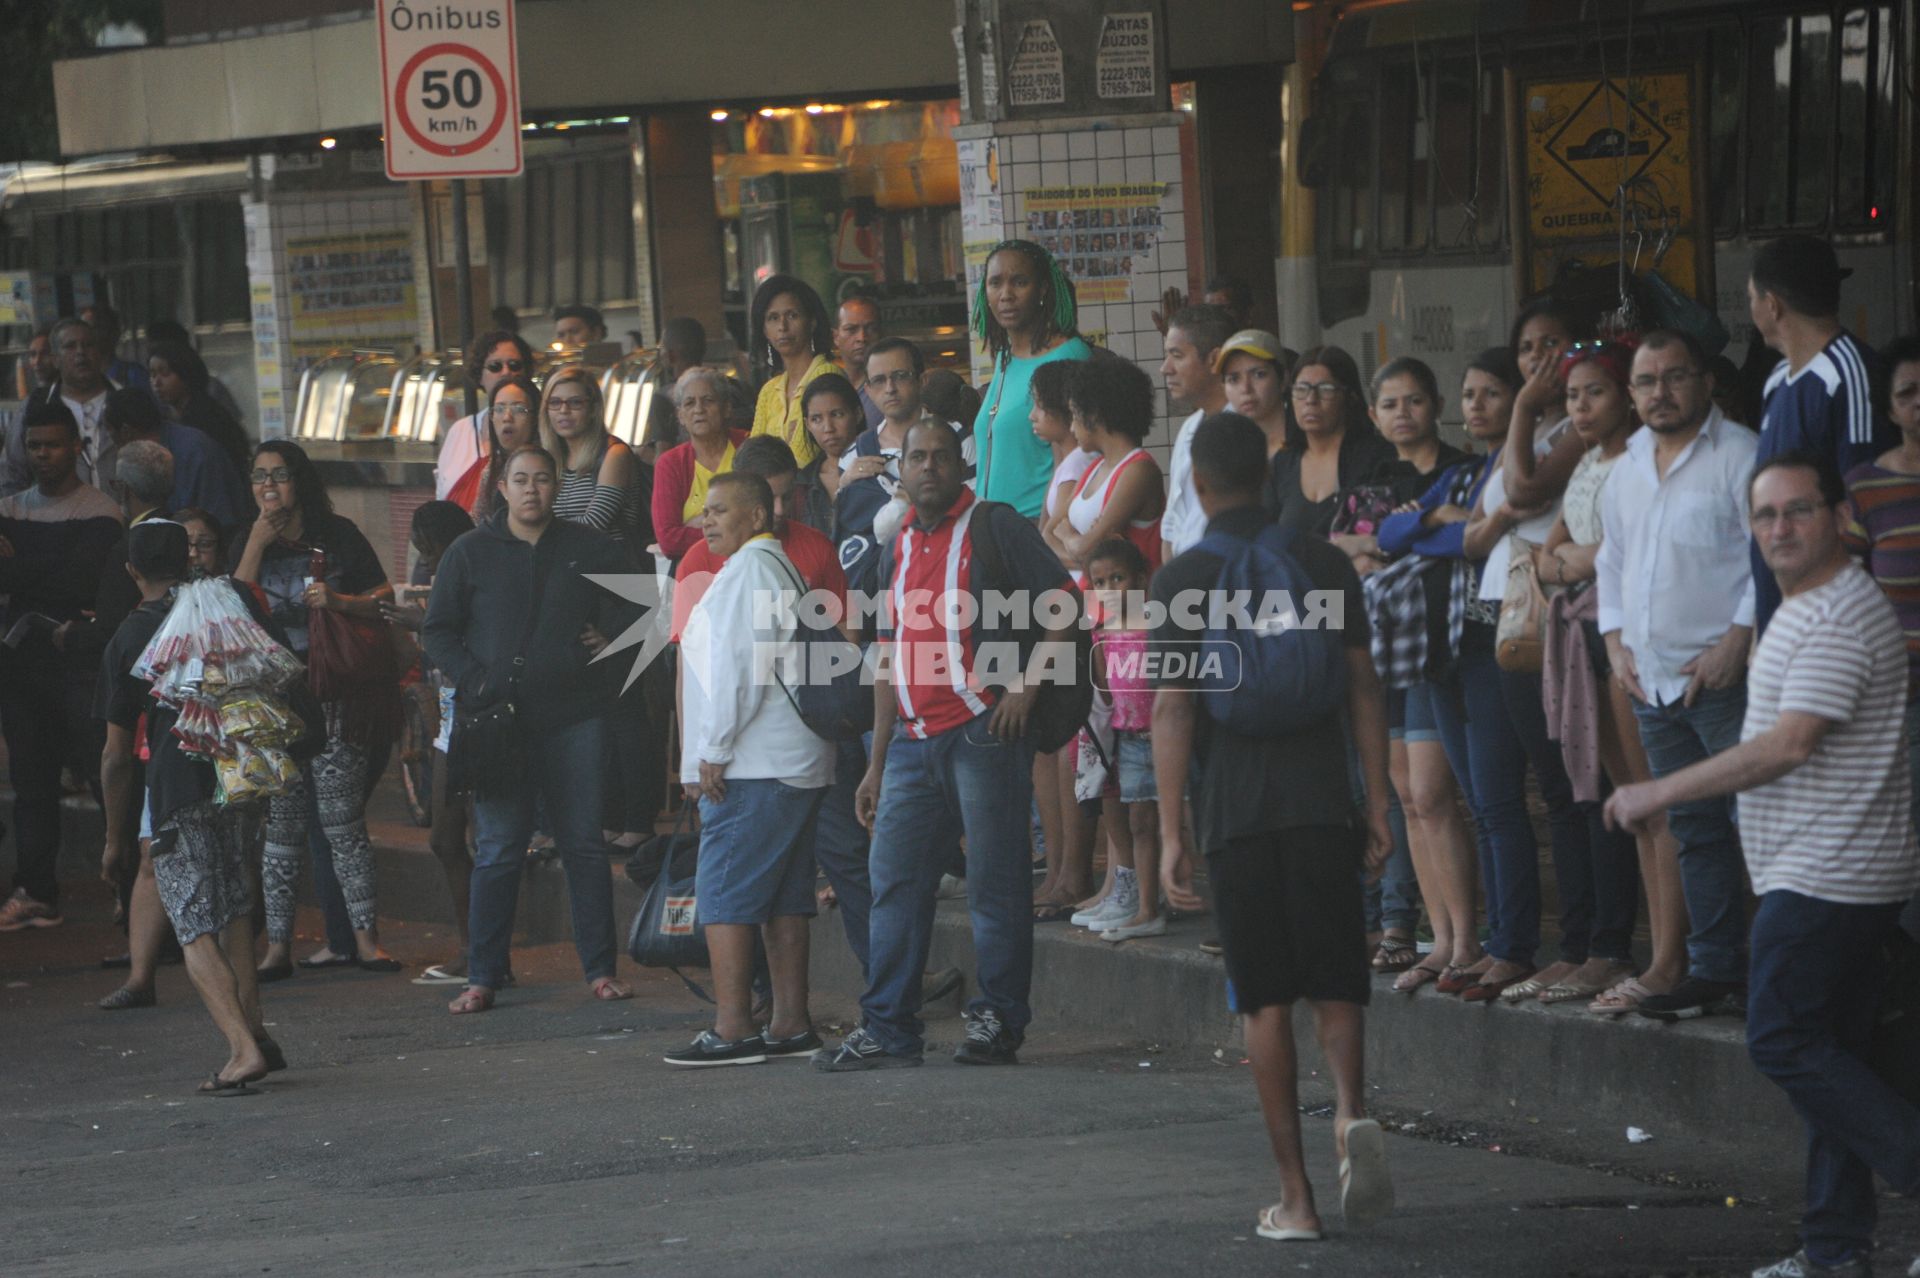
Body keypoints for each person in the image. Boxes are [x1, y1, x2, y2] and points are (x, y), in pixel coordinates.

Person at [1606, 453, 1920, 1278]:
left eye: (1798, 511)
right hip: (1830, 873)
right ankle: (1834, 1251)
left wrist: (1659, 790)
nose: (1780, 528)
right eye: (1766, 515)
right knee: (1834, 1060)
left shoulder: (1840, 616)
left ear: (1839, 515)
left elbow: (1788, 744)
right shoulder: (1808, 605)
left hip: (1830, 877)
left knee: (1781, 1039)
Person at [1151, 411, 1394, 1241]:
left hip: (1236, 812)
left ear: (1199, 485)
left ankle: (1296, 1199)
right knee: (1335, 979)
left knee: (1263, 1000)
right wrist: (1381, 802)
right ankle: (1351, 1112)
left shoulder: (1181, 579)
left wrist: (1174, 830)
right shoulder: (1321, 561)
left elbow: (1174, 710)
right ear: (1269, 473)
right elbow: (1364, 687)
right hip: (1323, 799)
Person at [814, 418, 1075, 1071]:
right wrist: (875, 762)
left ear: (961, 465)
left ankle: (996, 1022)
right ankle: (888, 1029)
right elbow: (886, 652)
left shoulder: (995, 526)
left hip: (983, 733)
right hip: (909, 741)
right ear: (899, 471)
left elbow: (1064, 604)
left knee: (996, 883)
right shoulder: (895, 542)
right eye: (917, 458)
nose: (928, 467)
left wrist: (1025, 688)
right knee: (894, 884)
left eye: (940, 457)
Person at [423, 446, 639, 1014]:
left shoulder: (588, 548)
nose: (532, 490)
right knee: (497, 849)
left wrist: (608, 635)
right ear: (503, 488)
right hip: (499, 724)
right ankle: (484, 976)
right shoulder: (469, 553)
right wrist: (478, 680)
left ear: (556, 487)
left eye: (543, 480)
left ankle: (600, 970)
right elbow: (438, 631)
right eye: (521, 480)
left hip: (575, 717)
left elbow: (647, 605)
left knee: (584, 847)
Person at [1596, 330, 1759, 1019]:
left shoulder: (1742, 456)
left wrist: (1738, 640)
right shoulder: (1627, 467)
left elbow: (1770, 555)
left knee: (1759, 824)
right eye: (1647, 381)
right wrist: (1615, 644)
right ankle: (1716, 970)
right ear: (1632, 395)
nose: (1660, 392)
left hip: (1726, 681)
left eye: (1675, 377)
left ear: (1705, 382)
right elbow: (1611, 561)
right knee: (1693, 829)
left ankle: (1779, 974)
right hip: (1653, 682)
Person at [1377, 349, 1544, 1001]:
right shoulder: (1464, 474)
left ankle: (1508, 944)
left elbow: (1468, 542)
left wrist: (1444, 527)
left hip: (1497, 639)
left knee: (1498, 801)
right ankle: (1468, 944)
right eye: (1470, 393)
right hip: (1441, 646)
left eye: (1491, 394)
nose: (1477, 405)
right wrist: (1435, 521)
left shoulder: (1496, 467)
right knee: (1474, 799)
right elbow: (1385, 535)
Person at [99, 522, 286, 1093]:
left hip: (180, 790)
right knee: (232, 909)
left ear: (133, 572)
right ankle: (257, 1030)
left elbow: (115, 756)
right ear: (188, 559)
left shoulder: (129, 638)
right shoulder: (223, 607)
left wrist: (115, 837)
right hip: (241, 779)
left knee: (190, 922)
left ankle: (240, 1048)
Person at [663, 471, 835, 1066]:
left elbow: (738, 668)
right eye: (704, 510)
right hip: (792, 760)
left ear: (758, 516)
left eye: (720, 511)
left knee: (726, 893)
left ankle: (732, 1028)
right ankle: (790, 1023)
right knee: (785, 898)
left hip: (757, 764)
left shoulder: (750, 572)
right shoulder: (776, 567)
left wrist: (710, 749)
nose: (706, 521)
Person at [230, 441, 398, 979]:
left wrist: (340, 602)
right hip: (273, 703)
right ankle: (276, 948)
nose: (269, 485)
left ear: (299, 480)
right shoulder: (247, 539)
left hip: (334, 695)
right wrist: (257, 539)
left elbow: (385, 596)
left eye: (279, 475)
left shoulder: (338, 534)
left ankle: (369, 942)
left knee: (342, 820)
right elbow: (232, 608)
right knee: (280, 828)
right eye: (259, 476)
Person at [1512, 341, 1645, 1005]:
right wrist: (1572, 562)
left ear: (1626, 396)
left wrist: (1571, 561)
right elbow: (1547, 554)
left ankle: (1615, 945)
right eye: (1572, 396)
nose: (1582, 407)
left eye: (1595, 392)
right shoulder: (1588, 462)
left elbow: (1614, 550)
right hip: (1573, 631)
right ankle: (1585, 944)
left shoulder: (1642, 462)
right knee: (1580, 787)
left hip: (1616, 633)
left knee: (1620, 789)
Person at [1338, 358, 1469, 980]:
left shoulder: (1462, 472)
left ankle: (1466, 938)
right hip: (1387, 653)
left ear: (1436, 403)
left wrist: (1391, 538)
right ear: (1373, 414)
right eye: (1390, 404)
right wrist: (1417, 528)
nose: (1403, 414)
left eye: (1414, 401)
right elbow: (1348, 547)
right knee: (1408, 799)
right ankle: (1436, 940)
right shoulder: (1371, 481)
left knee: (1438, 795)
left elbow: (1459, 537)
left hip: (1447, 645)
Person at [0, 402, 124, 933]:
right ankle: (35, 891)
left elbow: (78, 582)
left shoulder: (100, 510)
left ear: (77, 446)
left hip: (81, 666)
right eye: (34, 446)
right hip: (22, 667)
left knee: (106, 780)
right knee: (31, 783)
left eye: (53, 444)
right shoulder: (11, 508)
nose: (43, 455)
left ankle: (128, 886)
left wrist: (16, 565)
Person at [1749, 234, 1897, 635]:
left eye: (1752, 298)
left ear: (1772, 304)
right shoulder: (1777, 380)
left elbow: (1866, 504)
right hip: (1778, 621)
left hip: (1832, 626)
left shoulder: (1850, 372)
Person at [378, 501, 477, 985]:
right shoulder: (454, 572)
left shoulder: (474, 572)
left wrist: (423, 625)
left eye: (430, 550)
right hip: (452, 723)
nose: (428, 561)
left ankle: (478, 951)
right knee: (449, 837)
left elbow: (471, 641)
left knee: (462, 837)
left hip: (475, 723)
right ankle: (475, 947)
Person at [1844, 336, 1920, 878]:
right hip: (1905, 700)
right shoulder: (1867, 489)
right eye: (1908, 393)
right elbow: (1845, 599)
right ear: (1890, 409)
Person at [1027, 359, 1099, 923]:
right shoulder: (1062, 461)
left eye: (1039, 407)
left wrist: (1047, 541)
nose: (1033, 417)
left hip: (1076, 604)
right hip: (1061, 601)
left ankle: (1071, 871)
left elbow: (1058, 538)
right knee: (1050, 748)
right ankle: (1058, 869)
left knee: (1071, 747)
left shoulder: (1080, 460)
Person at [971, 240, 1094, 519]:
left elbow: (1081, 455)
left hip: (1038, 530)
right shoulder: (1004, 357)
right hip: (995, 530)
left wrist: (1049, 531)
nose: (1006, 295)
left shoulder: (1068, 355)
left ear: (1043, 289)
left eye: (1019, 282)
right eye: (995, 283)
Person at [1081, 538, 1164, 942]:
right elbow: (1105, 695)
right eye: (1099, 582)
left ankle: (1174, 895)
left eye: (1118, 578)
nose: (1109, 589)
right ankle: (1147, 908)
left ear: (1142, 578)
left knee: (1183, 821)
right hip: (1131, 742)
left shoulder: (1160, 624)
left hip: (1169, 740)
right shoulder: (1101, 636)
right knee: (1141, 822)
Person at [1049, 359, 1163, 580]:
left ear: (1094, 414)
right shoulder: (1094, 468)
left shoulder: (1139, 470)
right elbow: (1047, 535)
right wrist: (1081, 551)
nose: (1071, 427)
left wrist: (1068, 534)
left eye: (1074, 414)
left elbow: (1086, 548)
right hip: (1093, 606)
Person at [1267, 345, 1394, 535]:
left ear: (1349, 397)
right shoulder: (1283, 463)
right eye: (1301, 389)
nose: (1311, 399)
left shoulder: (1376, 457)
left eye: (1325, 389)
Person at [2, 317, 121, 496]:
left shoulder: (124, 400)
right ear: (55, 359)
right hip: (57, 519)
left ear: (99, 353)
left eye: (88, 345)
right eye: (70, 346)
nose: (81, 352)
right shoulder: (36, 406)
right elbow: (12, 477)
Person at [100, 386, 245, 525]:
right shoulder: (144, 458)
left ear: (126, 432)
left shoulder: (194, 450)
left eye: (109, 431)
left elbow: (219, 517)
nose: (110, 441)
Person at [1159, 304, 1235, 561]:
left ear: (1214, 359)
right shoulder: (1190, 427)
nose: (1165, 368)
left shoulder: (1243, 428)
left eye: (1177, 356)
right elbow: (1171, 526)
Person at [653, 366, 748, 564]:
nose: (698, 409)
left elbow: (762, 520)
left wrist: (701, 524)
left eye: (708, 400)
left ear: (726, 408)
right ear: (680, 416)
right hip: (696, 573)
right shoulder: (670, 464)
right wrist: (732, 526)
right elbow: (669, 540)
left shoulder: (748, 447)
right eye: (689, 403)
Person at [435, 329, 535, 501]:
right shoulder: (460, 430)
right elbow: (441, 493)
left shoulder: (539, 427)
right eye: (495, 366)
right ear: (479, 375)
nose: (506, 372)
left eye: (514, 365)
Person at [749, 275, 838, 469]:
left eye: (792, 315)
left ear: (812, 322)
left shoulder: (827, 376)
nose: (782, 327)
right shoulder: (768, 391)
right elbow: (751, 460)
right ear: (764, 329)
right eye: (773, 318)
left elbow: (805, 457)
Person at [147, 340, 251, 480]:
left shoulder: (209, 418)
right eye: (152, 374)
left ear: (185, 375)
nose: (156, 383)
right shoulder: (166, 418)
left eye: (165, 373)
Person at [456, 375, 541, 522]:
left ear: (535, 418)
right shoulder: (492, 469)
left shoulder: (549, 463)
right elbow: (477, 521)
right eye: (499, 409)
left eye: (519, 409)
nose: (507, 417)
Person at [797, 373, 865, 534]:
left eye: (837, 414)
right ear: (807, 424)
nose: (828, 428)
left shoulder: (878, 470)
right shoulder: (802, 482)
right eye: (816, 419)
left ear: (857, 414)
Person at [1217, 329, 1296, 462]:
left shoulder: (1311, 442)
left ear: (1283, 379)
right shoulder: (1227, 453)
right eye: (1234, 379)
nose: (1245, 388)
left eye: (1259, 374)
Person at [834, 293, 885, 428]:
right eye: (851, 329)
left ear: (881, 334)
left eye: (871, 329)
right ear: (835, 337)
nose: (862, 337)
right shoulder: (828, 387)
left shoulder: (891, 388)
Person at [80, 302, 150, 393]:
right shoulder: (78, 377)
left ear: (112, 333)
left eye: (93, 329)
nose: (85, 336)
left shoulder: (133, 375)